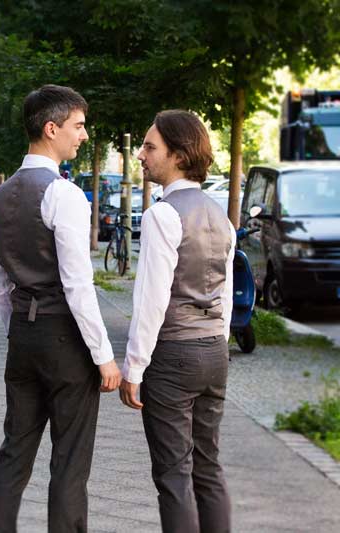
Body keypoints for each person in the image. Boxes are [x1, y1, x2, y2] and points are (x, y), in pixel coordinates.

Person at [0, 84, 121, 533]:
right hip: (65, 340)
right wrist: (103, 355)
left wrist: (19, 330)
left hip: (23, 338)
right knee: (69, 461)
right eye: (78, 126)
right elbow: (78, 285)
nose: (84, 135)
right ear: (51, 128)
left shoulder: (1, 194)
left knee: (14, 453)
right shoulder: (64, 195)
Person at [119, 110, 235, 533]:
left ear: (179, 156)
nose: (141, 155)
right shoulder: (221, 216)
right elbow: (225, 295)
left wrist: (134, 367)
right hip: (214, 351)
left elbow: (151, 300)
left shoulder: (162, 215)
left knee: (173, 474)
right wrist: (218, 344)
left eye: (150, 148)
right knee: (208, 467)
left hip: (173, 356)